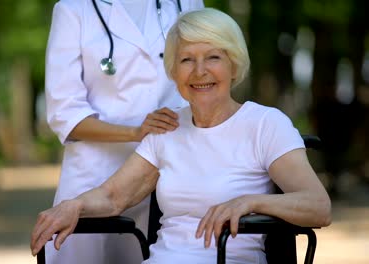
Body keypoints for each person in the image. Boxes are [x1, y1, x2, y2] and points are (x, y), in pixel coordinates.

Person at [33, 8, 332, 263]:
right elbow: (114, 196)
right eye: (187, 60)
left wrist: (252, 202)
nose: (200, 71)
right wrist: (74, 205)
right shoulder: (168, 126)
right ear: (174, 72)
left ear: (233, 65)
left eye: (213, 57)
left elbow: (318, 207)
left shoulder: (265, 124)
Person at [43, 0, 204, 263]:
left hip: (171, 169)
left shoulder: (185, 2)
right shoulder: (73, 9)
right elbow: (64, 113)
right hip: (94, 174)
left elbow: (203, 72)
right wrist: (135, 132)